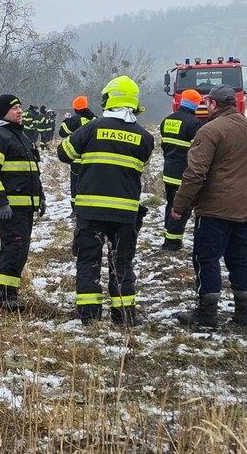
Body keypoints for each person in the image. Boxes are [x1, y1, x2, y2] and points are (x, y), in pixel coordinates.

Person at [57, 77, 154, 326]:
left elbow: (64, 153)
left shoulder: (92, 128)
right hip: (125, 213)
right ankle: (124, 316)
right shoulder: (145, 137)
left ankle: (90, 317)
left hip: (91, 211)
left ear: (109, 99)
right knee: (122, 263)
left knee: (88, 261)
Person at [171, 85, 247, 328]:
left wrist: (180, 204)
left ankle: (207, 313)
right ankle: (242, 314)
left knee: (206, 259)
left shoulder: (210, 130)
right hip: (245, 207)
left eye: (208, 102)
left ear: (214, 104)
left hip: (214, 209)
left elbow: (195, 173)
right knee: (240, 259)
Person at [0, 94, 45, 310]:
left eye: (20, 107)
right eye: (14, 108)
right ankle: (6, 297)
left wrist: (40, 197)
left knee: (18, 250)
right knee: (14, 249)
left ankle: (6, 294)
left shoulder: (21, 136)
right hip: (10, 208)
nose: (19, 111)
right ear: (3, 112)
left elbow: (32, 171)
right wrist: (1, 202)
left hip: (25, 206)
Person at [159, 89, 205, 251]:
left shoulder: (166, 120)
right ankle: (172, 242)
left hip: (168, 171)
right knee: (181, 208)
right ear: (196, 105)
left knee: (171, 205)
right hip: (184, 174)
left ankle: (169, 238)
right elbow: (197, 152)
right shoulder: (194, 124)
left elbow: (164, 145)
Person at [58, 96, 97, 215]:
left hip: (77, 160)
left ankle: (75, 211)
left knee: (75, 186)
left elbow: (62, 132)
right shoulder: (95, 119)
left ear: (75, 107)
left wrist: (66, 120)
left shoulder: (74, 119)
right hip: (93, 160)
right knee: (91, 184)